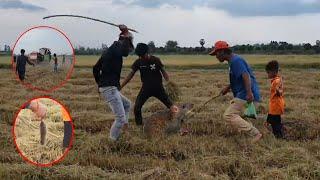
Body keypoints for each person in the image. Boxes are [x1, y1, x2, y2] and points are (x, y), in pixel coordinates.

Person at [209, 40, 262, 143]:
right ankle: (249, 135)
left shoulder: (236, 61)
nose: (216, 56)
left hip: (245, 94)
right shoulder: (233, 61)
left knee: (229, 115)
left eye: (216, 53)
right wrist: (227, 88)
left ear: (223, 51)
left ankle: (255, 133)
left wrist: (249, 93)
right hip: (244, 93)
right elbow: (239, 77)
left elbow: (245, 76)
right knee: (240, 117)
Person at [121, 43, 179, 126]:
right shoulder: (138, 62)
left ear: (147, 52)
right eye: (139, 55)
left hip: (158, 88)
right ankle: (140, 127)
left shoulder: (156, 60)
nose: (141, 57)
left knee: (171, 105)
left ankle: (178, 120)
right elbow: (130, 75)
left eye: (142, 55)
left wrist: (169, 83)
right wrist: (121, 86)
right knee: (137, 107)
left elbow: (163, 72)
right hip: (146, 89)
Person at [93, 25, 134, 141]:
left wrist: (99, 83)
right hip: (109, 88)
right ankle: (111, 142)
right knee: (120, 118)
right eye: (129, 47)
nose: (129, 51)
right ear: (124, 43)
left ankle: (124, 128)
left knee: (127, 104)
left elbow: (95, 68)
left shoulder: (109, 51)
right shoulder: (117, 49)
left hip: (109, 87)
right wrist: (126, 33)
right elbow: (125, 51)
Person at [264, 60, 285, 138]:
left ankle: (279, 136)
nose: (268, 75)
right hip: (274, 105)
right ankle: (278, 134)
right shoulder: (276, 80)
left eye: (268, 73)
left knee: (275, 122)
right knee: (274, 120)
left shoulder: (276, 81)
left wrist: (279, 91)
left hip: (276, 105)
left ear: (273, 72)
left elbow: (280, 90)